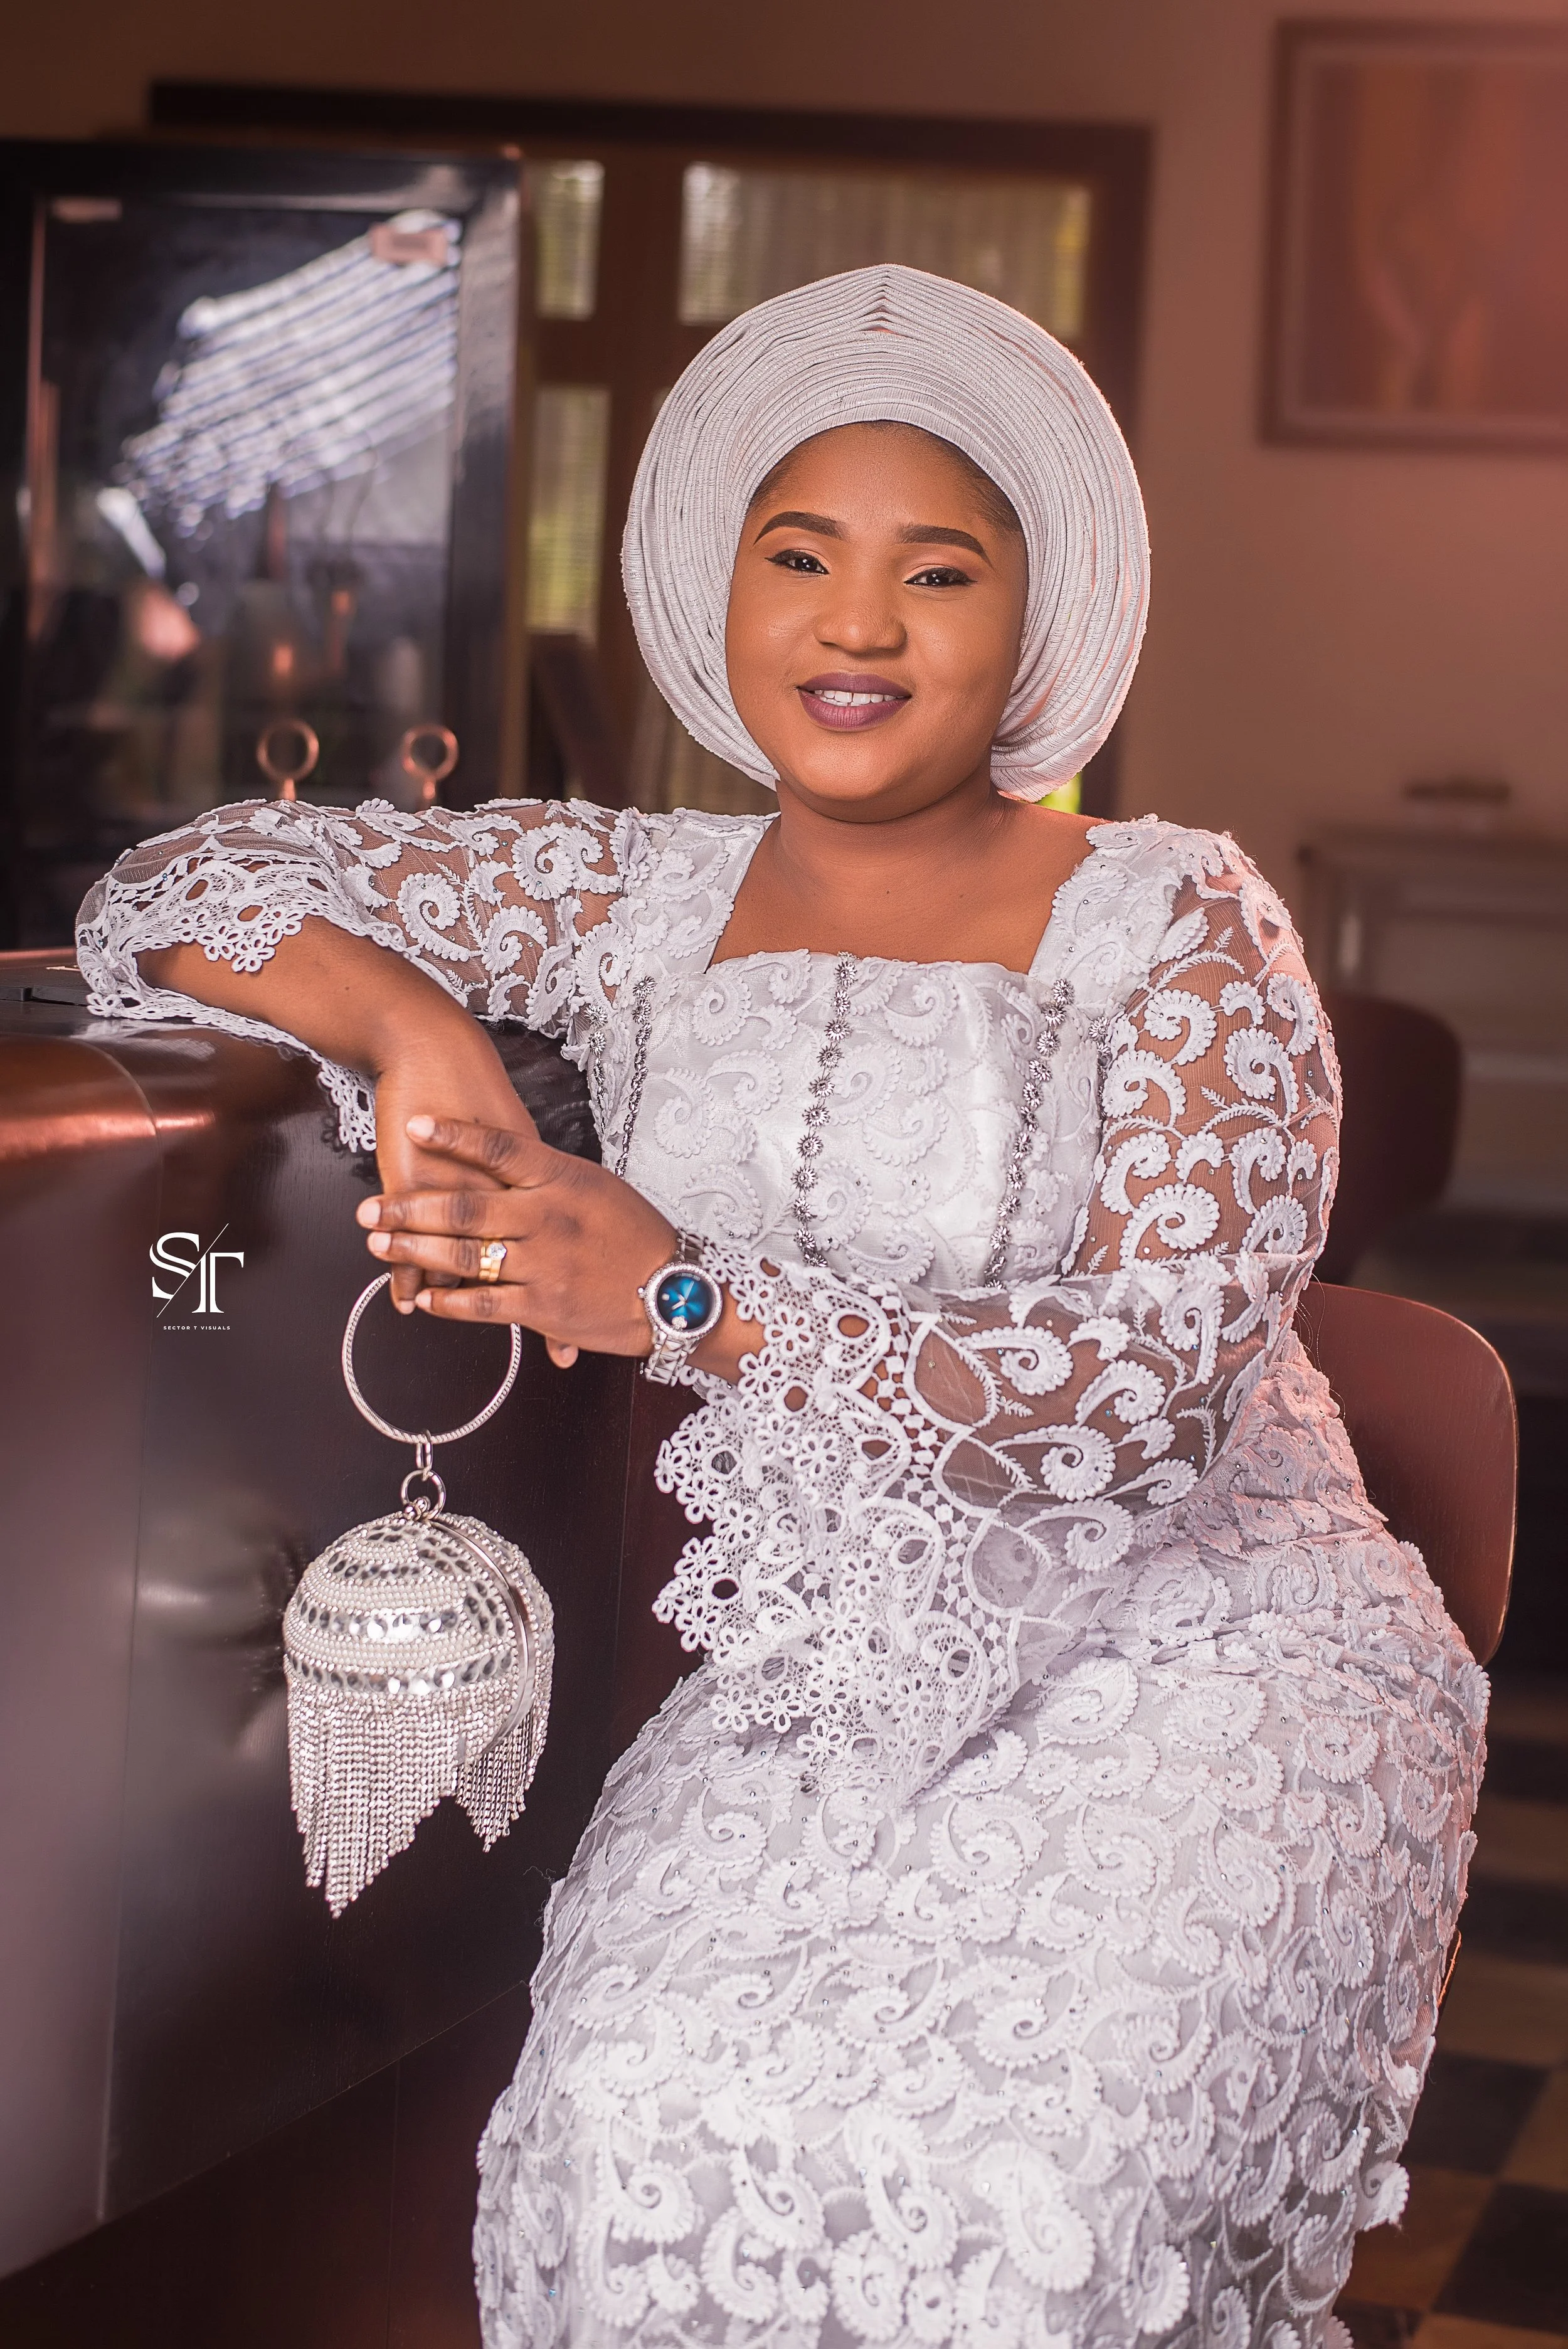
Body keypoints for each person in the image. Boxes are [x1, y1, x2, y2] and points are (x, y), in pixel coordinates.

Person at [78, 265, 1483, 2349]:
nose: (854, 623)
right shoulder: (632, 891)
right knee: (638, 2121)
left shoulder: (1176, 912)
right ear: (722, 598)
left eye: (937, 572)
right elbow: (166, 892)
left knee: (1021, 2197)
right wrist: (413, 1026)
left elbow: (1150, 1391)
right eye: (799, 557)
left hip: (1217, 1656)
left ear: (1030, 627)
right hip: (822, 1687)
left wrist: (675, 1289)